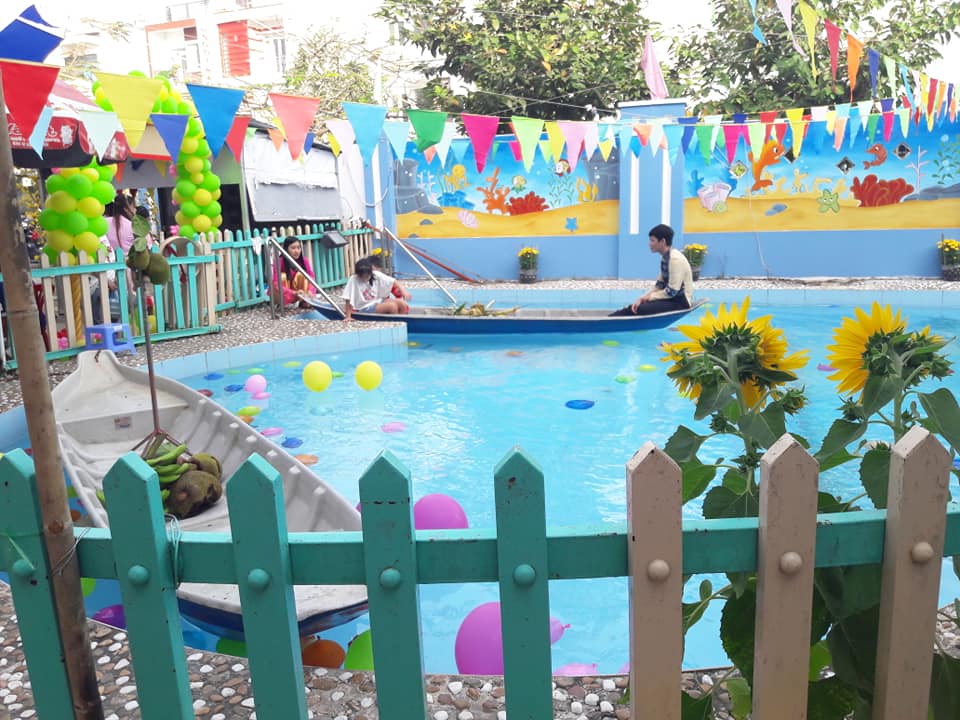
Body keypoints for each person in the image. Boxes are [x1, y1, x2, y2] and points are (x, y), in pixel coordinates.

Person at [609, 224, 693, 316]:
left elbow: (672, 292)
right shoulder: (666, 258)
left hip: (680, 302)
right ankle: (611, 318)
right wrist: (642, 298)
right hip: (670, 299)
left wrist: (649, 297)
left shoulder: (675, 259)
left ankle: (612, 319)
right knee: (635, 306)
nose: (649, 244)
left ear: (663, 241)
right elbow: (659, 285)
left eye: (652, 240)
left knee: (641, 309)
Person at [341, 258, 410, 320]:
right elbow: (348, 298)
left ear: (371, 273)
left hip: (377, 301)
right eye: (362, 277)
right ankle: (394, 323)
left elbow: (394, 281)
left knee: (402, 304)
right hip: (364, 307)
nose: (365, 279)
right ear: (358, 274)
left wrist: (404, 291)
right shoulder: (353, 279)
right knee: (392, 307)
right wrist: (348, 316)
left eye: (367, 276)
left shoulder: (376, 275)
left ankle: (403, 322)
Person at [274, 236, 317, 307]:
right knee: (282, 276)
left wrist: (310, 291)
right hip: (284, 295)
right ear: (286, 249)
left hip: (299, 293)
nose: (296, 251)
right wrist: (293, 293)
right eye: (293, 248)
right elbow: (276, 284)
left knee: (304, 274)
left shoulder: (304, 261)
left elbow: (311, 278)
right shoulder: (279, 262)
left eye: (298, 248)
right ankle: (285, 303)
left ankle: (304, 301)